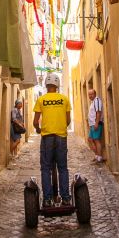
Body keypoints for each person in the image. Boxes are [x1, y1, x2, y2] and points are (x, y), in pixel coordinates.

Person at [33, 73, 72, 207]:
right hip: (61, 137)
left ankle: (47, 200)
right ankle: (66, 198)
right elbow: (68, 120)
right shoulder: (64, 99)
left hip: (47, 138)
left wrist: (38, 129)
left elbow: (35, 121)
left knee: (46, 168)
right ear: (57, 85)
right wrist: (60, 127)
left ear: (46, 85)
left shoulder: (41, 100)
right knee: (62, 168)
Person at [87, 88, 105, 163]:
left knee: (96, 140)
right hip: (92, 124)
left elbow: (98, 112)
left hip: (96, 123)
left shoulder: (97, 101)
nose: (90, 96)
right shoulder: (93, 102)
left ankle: (99, 157)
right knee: (90, 139)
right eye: (89, 94)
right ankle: (97, 155)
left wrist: (96, 123)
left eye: (91, 94)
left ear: (95, 94)